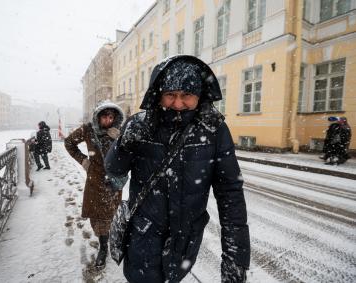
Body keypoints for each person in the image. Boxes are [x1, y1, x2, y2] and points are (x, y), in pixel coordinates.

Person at [105, 55, 250, 282]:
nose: (178, 104)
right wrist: (123, 144)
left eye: (187, 96)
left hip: (184, 241)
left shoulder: (214, 131)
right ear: (159, 94)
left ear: (200, 96)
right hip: (142, 238)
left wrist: (235, 259)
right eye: (170, 95)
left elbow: (230, 195)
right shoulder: (139, 125)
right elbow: (114, 170)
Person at [64, 101, 125, 268]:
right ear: (98, 117)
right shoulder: (87, 129)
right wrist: (83, 160)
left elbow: (130, 153)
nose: (107, 120)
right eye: (104, 116)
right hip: (95, 180)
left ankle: (112, 239)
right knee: (98, 217)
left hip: (113, 181)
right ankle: (103, 247)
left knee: (112, 213)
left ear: (115, 118)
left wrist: (120, 139)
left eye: (111, 117)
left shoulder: (119, 132)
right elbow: (68, 142)